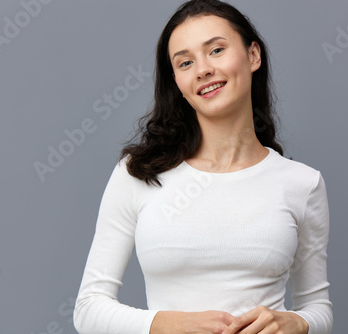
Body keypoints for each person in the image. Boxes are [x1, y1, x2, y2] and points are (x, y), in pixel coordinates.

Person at [73, 0, 333, 333]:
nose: (202, 70)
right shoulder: (139, 174)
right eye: (185, 62)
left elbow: (318, 308)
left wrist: (297, 322)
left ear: (253, 55)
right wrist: (163, 324)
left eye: (216, 50)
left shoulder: (302, 184)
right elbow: (88, 309)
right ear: (178, 84)